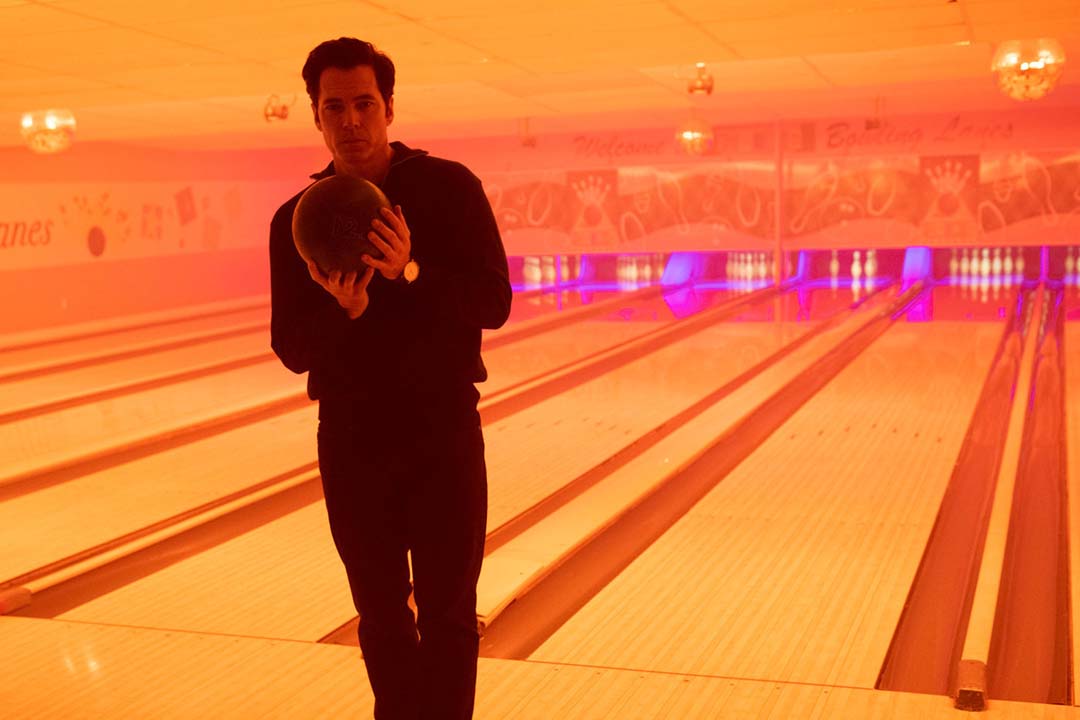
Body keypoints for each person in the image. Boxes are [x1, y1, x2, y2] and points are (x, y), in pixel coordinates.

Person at [268, 37, 512, 720]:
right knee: (379, 615)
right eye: (334, 106)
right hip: (352, 439)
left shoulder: (450, 188)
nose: (351, 120)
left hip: (442, 430)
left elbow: (494, 303)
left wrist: (411, 271)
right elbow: (292, 347)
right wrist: (346, 311)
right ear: (317, 117)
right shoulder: (296, 221)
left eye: (364, 104)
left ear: (390, 107)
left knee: (449, 613)